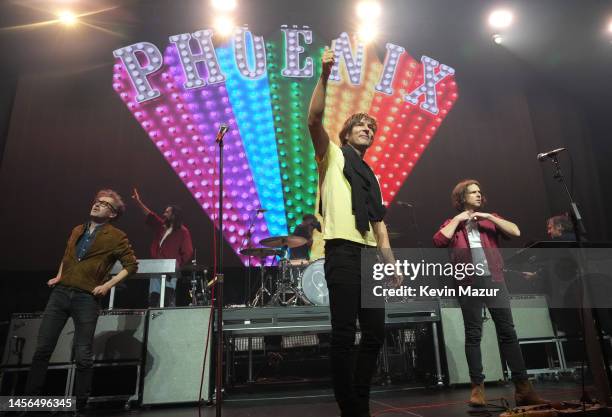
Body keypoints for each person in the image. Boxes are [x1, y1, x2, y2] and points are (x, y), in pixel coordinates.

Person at [308, 45, 397, 417]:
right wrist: (325, 75)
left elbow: (379, 222)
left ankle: (360, 397)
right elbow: (313, 120)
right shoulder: (332, 154)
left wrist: (389, 263)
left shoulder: (371, 175)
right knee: (344, 334)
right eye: (361, 124)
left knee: (375, 331)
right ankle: (349, 406)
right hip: (342, 251)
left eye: (372, 127)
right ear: (347, 131)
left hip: (368, 257)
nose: (367, 128)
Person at [433, 179, 546, 407]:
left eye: (479, 192)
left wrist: (490, 217)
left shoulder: (490, 219)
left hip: (494, 279)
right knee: (473, 333)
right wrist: (457, 220)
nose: (477, 195)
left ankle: (523, 388)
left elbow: (515, 231)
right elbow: (438, 240)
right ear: (461, 198)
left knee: (508, 332)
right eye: (472, 192)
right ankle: (477, 388)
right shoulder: (453, 222)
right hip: (468, 282)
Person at [25, 189, 138, 413]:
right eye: (97, 201)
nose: (97, 205)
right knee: (42, 349)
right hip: (60, 294)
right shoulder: (78, 229)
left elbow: (131, 266)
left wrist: (106, 285)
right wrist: (59, 275)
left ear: (113, 214)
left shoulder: (116, 236)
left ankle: (81, 404)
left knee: (83, 354)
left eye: (104, 204)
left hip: (86, 298)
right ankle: (30, 402)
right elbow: (67, 256)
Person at [132, 188, 193, 307]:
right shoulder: (162, 227)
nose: (164, 214)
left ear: (174, 215)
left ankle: (167, 321)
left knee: (167, 298)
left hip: (170, 269)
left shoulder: (183, 231)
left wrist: (176, 264)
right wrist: (138, 202)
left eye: (167, 212)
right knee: (154, 298)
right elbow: (150, 215)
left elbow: (188, 251)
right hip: (156, 267)